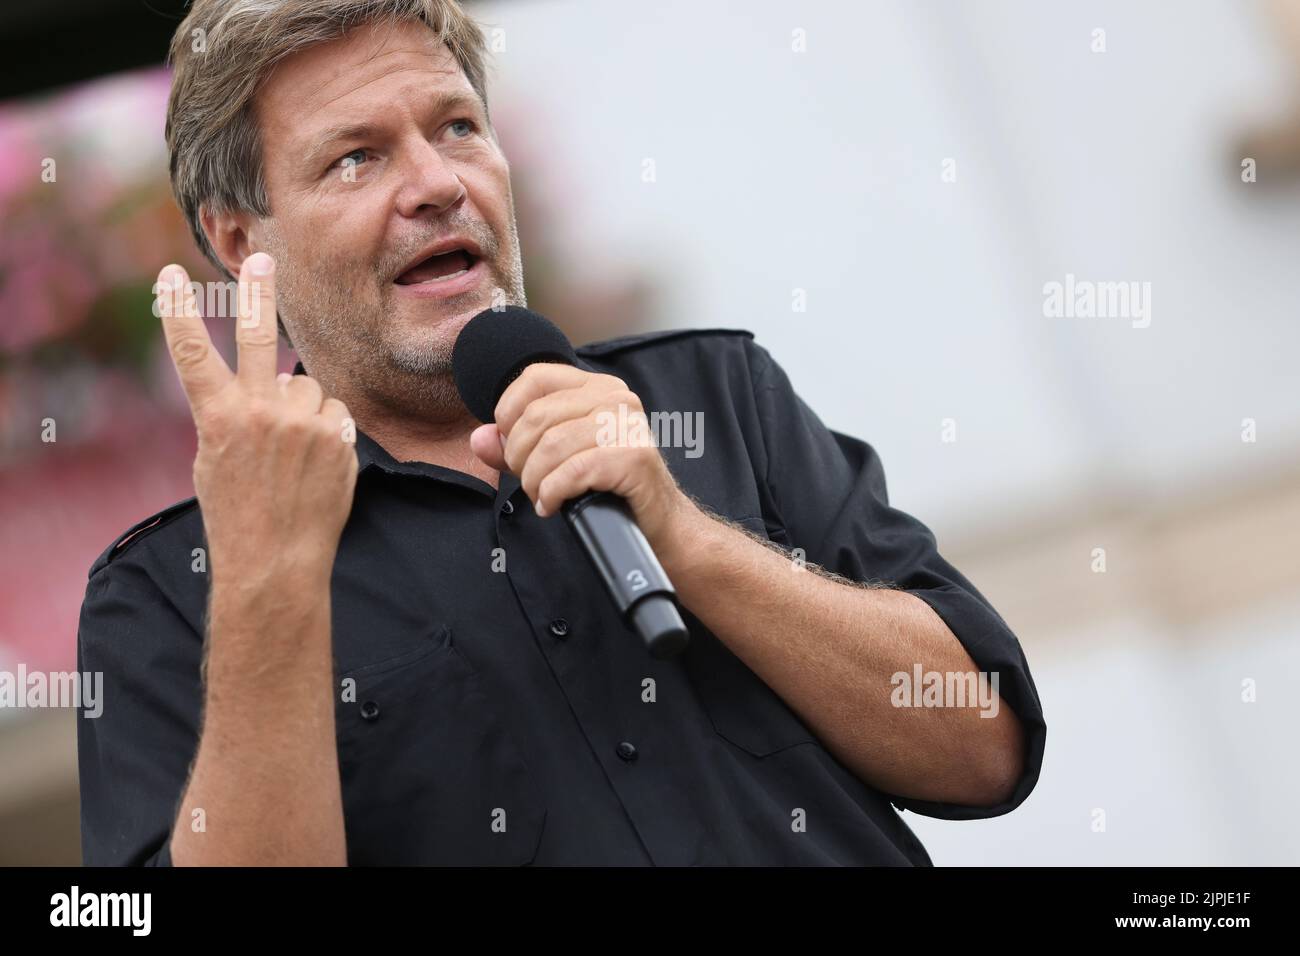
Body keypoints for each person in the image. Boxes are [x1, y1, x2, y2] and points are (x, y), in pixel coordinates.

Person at [77, 0, 1045, 866]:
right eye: (357, 157)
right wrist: (265, 585)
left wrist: (685, 537)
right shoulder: (170, 592)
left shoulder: (712, 392)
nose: (435, 183)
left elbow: (986, 742)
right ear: (245, 242)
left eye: (457, 126)